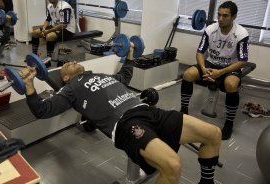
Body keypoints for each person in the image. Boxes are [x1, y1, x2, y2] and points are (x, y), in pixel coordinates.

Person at [20, 44, 222, 184]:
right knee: (172, 166)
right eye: (67, 64)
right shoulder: (69, 89)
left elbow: (125, 75)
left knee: (213, 133)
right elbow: (42, 110)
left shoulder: (101, 76)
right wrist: (29, 85)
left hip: (148, 111)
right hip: (126, 124)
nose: (72, 60)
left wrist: (131, 53)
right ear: (64, 77)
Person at [180, 1, 249, 140]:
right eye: (219, 15)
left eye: (225, 16)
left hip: (230, 66)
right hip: (211, 63)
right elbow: (200, 52)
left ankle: (229, 124)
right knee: (188, 74)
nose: (221, 18)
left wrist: (221, 73)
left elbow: (243, 61)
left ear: (234, 17)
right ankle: (184, 112)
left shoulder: (241, 33)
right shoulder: (210, 29)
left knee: (231, 84)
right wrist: (204, 68)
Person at [31, 0, 75, 68]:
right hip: (56, 27)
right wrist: (44, 28)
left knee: (50, 36)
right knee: (35, 33)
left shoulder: (64, 7)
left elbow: (64, 25)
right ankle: (34, 56)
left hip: (67, 30)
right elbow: (48, 19)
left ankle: (48, 61)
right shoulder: (50, 6)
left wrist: (48, 31)